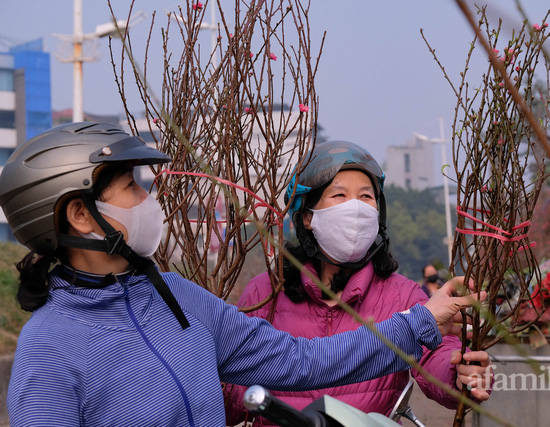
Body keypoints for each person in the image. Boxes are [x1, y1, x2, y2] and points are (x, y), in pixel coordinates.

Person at [0, 123, 483, 427]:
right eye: (131, 187)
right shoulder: (48, 346)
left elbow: (304, 362)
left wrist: (421, 320)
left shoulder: (181, 300)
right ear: (81, 216)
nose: (149, 201)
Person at [224, 141, 493, 426]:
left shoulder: (403, 295)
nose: (354, 207)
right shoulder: (265, 293)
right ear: (306, 217)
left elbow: (438, 359)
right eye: (339, 194)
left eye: (366, 196)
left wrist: (463, 374)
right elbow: (236, 397)